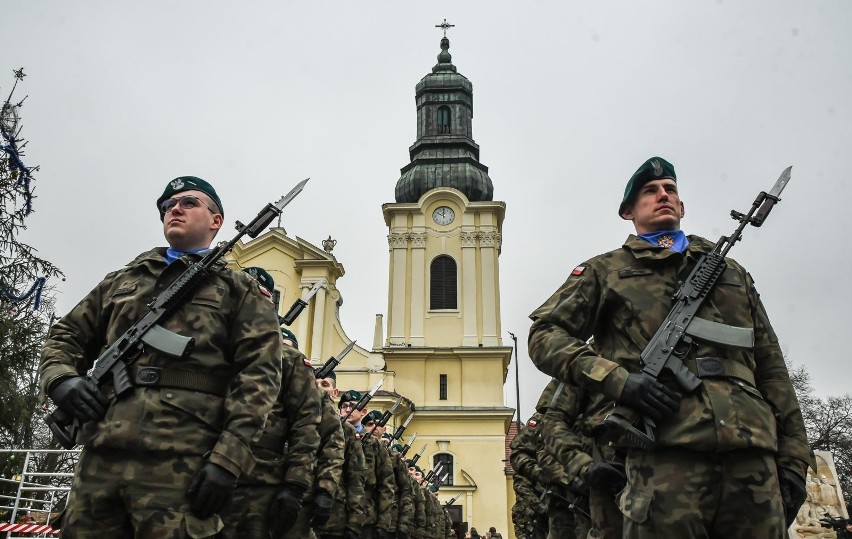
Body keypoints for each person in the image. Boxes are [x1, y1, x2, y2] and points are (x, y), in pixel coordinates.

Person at [528, 157, 815, 539]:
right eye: (650, 191)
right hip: (664, 456)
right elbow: (545, 334)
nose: (662, 194)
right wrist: (620, 381)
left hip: (752, 457)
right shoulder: (605, 272)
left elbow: (771, 367)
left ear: (681, 206)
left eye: (670, 189)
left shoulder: (732, 272)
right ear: (628, 211)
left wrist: (795, 457)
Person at [40, 176, 283, 538]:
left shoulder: (239, 289)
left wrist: (229, 458)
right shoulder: (122, 281)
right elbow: (66, 335)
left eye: (189, 202)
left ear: (216, 220)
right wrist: (61, 379)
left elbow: (259, 375)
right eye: (168, 206)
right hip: (101, 458)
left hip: (182, 462)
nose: (175, 209)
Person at [219, 271, 323, 539]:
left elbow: (307, 426)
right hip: (205, 467)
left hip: (260, 479)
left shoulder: (289, 359)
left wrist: (296, 485)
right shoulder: (216, 344)